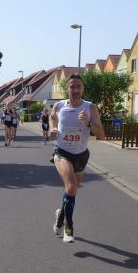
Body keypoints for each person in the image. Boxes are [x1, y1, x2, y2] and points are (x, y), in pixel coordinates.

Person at [49, 74, 105, 243]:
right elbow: (52, 119)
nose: (75, 89)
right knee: (72, 186)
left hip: (81, 155)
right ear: (67, 89)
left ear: (83, 89)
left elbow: (101, 135)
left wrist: (88, 122)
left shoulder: (90, 108)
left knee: (70, 191)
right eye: (72, 86)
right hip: (62, 152)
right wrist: (52, 130)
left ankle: (60, 216)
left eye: (78, 86)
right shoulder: (59, 106)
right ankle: (69, 227)